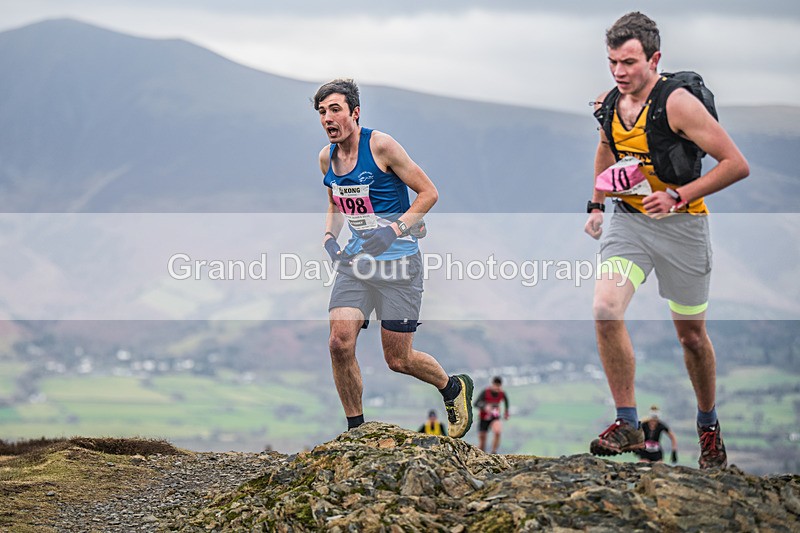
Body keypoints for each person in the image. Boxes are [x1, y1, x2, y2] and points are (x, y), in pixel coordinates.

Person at [584, 12, 749, 469]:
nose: (619, 72)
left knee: (692, 338)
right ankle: (628, 422)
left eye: (629, 62)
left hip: (684, 228)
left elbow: (735, 163)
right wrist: (596, 205)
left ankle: (708, 426)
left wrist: (678, 195)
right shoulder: (609, 104)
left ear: (654, 59)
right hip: (630, 224)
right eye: (613, 61)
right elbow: (605, 148)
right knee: (604, 309)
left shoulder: (677, 104)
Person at [314, 78, 473, 438]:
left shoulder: (381, 146)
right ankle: (356, 430)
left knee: (398, 359)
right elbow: (334, 203)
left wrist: (393, 230)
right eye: (322, 112)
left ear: (355, 112)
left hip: (400, 264)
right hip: (357, 264)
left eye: (335, 109)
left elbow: (429, 193)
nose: (327, 118)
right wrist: (328, 238)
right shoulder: (327, 157)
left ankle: (452, 388)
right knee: (339, 342)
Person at [474, 376, 509, 453]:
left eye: (499, 386)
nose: (497, 388)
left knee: (497, 431)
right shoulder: (485, 392)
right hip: (484, 418)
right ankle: (481, 453)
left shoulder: (502, 393)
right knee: (482, 439)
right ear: (492, 384)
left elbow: (506, 402)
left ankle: (494, 451)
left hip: (495, 416)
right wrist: (485, 406)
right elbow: (476, 403)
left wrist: (506, 413)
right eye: (495, 386)